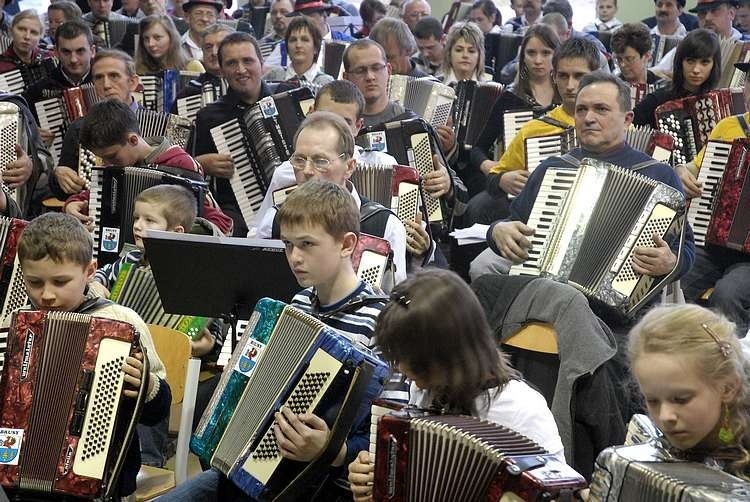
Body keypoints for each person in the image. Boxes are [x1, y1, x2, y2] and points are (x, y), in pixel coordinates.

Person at [158, 180, 388, 501]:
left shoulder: (382, 324)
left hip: (318, 487)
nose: (294, 257)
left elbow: (384, 438)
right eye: (288, 245)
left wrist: (332, 450)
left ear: (347, 244)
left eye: (307, 244)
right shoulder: (298, 304)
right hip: (251, 470)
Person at [347, 269, 566, 502]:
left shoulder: (524, 411)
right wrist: (377, 478)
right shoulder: (425, 389)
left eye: (413, 361)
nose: (403, 369)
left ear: (450, 354)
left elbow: (556, 494)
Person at [473, 71, 695, 289]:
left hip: (622, 306)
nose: (589, 118)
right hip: (546, 291)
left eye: (601, 109)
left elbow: (686, 248)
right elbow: (514, 224)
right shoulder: (552, 168)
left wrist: (671, 262)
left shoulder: (659, 175)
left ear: (627, 120)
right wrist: (497, 230)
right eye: (581, 110)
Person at [8, 212, 170, 498]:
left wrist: (146, 385)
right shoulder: (14, 325)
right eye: (35, 282)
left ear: (90, 271)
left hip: (102, 479)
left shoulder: (120, 322)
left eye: (60, 282)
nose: (46, 295)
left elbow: (156, 412)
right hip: (18, 475)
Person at [257, 111, 410, 283]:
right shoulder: (274, 220)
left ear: (350, 167)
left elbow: (393, 303)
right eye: (299, 159)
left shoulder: (384, 225)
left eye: (320, 161)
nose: (307, 171)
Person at [64, 99, 233, 235]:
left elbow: (221, 223)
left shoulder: (181, 165)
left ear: (133, 140)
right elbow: (92, 195)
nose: (106, 165)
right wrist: (73, 204)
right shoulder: (117, 167)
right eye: (102, 158)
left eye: (112, 156)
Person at [190, 31, 295, 236]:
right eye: (231, 63)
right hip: (237, 209)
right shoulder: (209, 116)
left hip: (294, 200)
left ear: (261, 63)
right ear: (221, 70)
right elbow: (187, 171)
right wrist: (201, 164)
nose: (241, 70)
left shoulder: (286, 97)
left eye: (248, 61)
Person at [629, 304, 750, 480]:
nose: (665, 416)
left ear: (728, 388)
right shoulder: (656, 439)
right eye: (652, 401)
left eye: (681, 399)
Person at [676, 60, 750, 337]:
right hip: (715, 242)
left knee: (727, 296)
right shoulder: (728, 127)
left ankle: (731, 372)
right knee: (673, 280)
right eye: (749, 81)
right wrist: (681, 171)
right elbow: (695, 168)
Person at [464, 23, 560, 224]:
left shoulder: (566, 98)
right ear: (522, 56)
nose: (538, 60)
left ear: (557, 55)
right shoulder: (510, 98)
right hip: (517, 185)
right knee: (475, 210)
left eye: (546, 53)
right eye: (531, 53)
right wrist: (497, 173)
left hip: (559, 185)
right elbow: (477, 149)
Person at [23, 20, 96, 148]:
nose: (73, 59)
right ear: (56, 52)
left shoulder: (106, 83)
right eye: (66, 52)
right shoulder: (37, 92)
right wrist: (31, 136)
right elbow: (19, 133)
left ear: (92, 51)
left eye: (80, 51)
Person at [633, 28, 721, 129]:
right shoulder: (658, 99)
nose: (696, 70)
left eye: (704, 62)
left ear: (714, 65)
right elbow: (628, 127)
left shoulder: (720, 102)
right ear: (680, 62)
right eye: (690, 61)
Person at [651, 0, 740, 78]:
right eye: (702, 13)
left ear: (731, 14)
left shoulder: (745, 47)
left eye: (714, 11)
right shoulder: (687, 46)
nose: (707, 18)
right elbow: (655, 72)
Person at [342, 39, 418, 128]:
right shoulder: (340, 123)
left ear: (389, 71)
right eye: (360, 71)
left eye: (376, 68)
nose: (370, 77)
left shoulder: (409, 120)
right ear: (346, 78)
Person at [264, 0, 355, 69]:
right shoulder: (284, 47)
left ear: (324, 15)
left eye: (309, 16)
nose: (304, 23)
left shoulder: (350, 44)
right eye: (300, 18)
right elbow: (264, 76)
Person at [263, 15, 333, 86]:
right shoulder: (274, 76)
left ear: (315, 48)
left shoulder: (326, 83)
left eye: (305, 40)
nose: (298, 45)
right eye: (293, 40)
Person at [611, 22, 664, 89]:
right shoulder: (612, 87)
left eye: (629, 59)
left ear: (647, 56)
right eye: (619, 59)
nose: (622, 64)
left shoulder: (662, 87)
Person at [0, 10, 52, 75]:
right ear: (11, 31)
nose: (27, 37)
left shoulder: (49, 57)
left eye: (33, 32)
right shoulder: (1, 64)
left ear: (40, 37)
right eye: (21, 29)